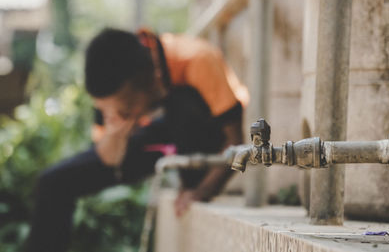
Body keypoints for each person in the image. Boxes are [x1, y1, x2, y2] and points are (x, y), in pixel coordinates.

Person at [26, 28, 248, 252]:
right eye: (104, 110)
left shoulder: (197, 59)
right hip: (158, 135)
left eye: (125, 109)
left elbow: (236, 143)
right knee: (53, 183)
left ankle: (192, 181)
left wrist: (202, 190)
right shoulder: (109, 89)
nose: (114, 116)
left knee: (182, 103)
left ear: (151, 82)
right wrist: (115, 137)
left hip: (202, 138)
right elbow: (106, 157)